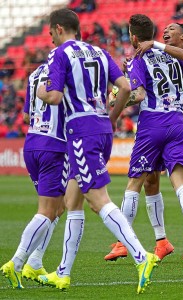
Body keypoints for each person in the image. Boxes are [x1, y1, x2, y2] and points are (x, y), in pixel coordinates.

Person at [35, 8, 160, 294]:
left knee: (97, 200)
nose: (50, 37)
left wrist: (41, 91)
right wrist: (112, 116)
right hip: (101, 128)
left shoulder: (60, 54)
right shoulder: (99, 52)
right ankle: (63, 273)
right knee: (72, 200)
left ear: (57, 29)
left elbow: (53, 96)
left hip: (81, 130)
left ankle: (141, 256)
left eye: (50, 32)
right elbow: (126, 88)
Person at [104, 15, 183, 267]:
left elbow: (138, 94)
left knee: (135, 181)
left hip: (151, 124)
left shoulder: (138, 58)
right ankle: (180, 233)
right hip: (176, 122)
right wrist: (182, 102)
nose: (168, 30)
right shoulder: (178, 56)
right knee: (173, 180)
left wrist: (117, 100)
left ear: (134, 37)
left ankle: (122, 241)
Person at [0, 61, 68, 289]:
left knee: (58, 207)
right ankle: (17, 262)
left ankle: (35, 261)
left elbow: (27, 116)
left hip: (31, 143)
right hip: (54, 145)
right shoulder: (67, 67)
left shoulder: (36, 72)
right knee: (48, 210)